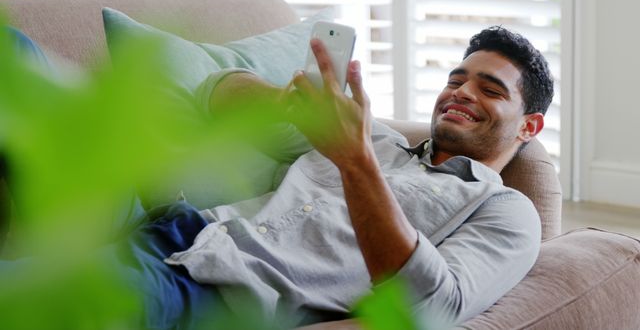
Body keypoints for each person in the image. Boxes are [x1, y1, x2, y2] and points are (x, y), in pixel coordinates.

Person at [2, 26, 555, 329]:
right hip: (162, 216)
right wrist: (284, 104)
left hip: (206, 286)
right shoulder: (377, 137)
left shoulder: (503, 210)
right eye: (457, 78)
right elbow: (213, 94)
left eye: (489, 88)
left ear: (529, 125)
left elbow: (432, 309)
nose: (461, 91)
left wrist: (355, 162)